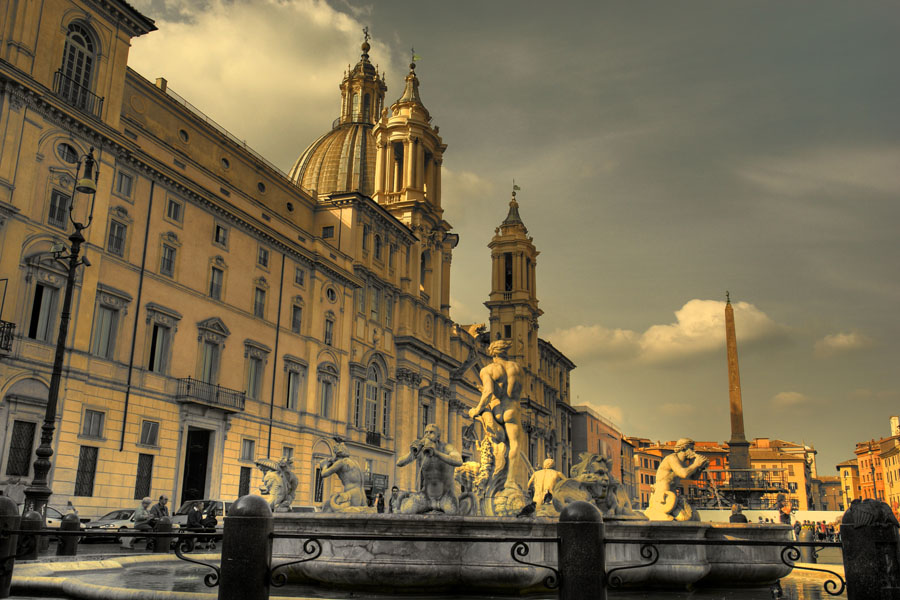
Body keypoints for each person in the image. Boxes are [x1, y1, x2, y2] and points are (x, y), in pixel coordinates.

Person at [469, 340, 528, 493]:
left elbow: (488, 393)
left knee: (494, 442)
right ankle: (510, 481)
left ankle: (491, 478)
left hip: (496, 410)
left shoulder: (488, 369)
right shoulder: (517, 369)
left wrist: (477, 409)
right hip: (511, 409)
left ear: (491, 352)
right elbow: (512, 392)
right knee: (514, 445)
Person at [396, 423, 463, 514]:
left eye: (431, 432)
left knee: (452, 512)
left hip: (445, 495)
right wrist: (412, 454)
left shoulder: (446, 448)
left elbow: (459, 461)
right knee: (407, 510)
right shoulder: (421, 450)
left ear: (438, 436)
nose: (427, 435)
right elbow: (399, 463)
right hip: (426, 496)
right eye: (426, 432)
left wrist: (436, 453)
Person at [644, 438, 708, 521]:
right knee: (684, 518)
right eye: (692, 449)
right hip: (664, 495)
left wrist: (700, 468)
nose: (694, 451)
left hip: (672, 494)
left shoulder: (683, 463)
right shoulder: (672, 458)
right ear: (684, 448)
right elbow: (683, 474)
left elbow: (693, 477)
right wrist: (696, 464)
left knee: (692, 517)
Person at [320, 441, 368, 512]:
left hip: (351, 495)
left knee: (327, 507)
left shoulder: (341, 462)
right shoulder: (355, 462)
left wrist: (324, 465)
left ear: (337, 454)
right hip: (362, 496)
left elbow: (324, 474)